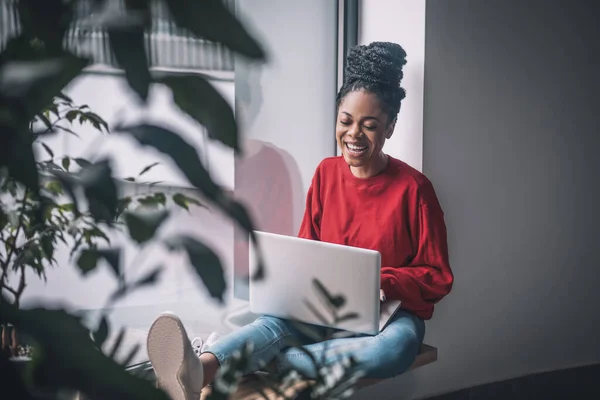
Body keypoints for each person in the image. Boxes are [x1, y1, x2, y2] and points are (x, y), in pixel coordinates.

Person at [146, 42, 454, 400]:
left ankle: (278, 360)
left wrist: (382, 282)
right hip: (323, 309)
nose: (354, 134)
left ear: (390, 127)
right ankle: (199, 369)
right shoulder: (325, 174)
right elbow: (305, 252)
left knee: (394, 350)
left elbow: (438, 276)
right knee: (270, 324)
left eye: (369, 126)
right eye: (345, 121)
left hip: (391, 315)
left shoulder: (415, 189)